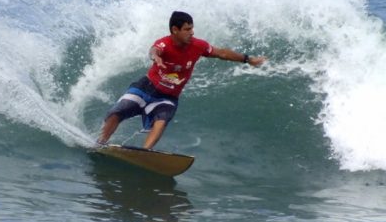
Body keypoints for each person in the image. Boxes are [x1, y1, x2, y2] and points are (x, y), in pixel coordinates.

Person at [98, 11, 267, 149]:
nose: (192, 32)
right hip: (145, 88)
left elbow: (221, 53)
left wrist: (247, 59)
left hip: (168, 97)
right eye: (187, 29)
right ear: (174, 30)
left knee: (161, 122)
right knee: (117, 112)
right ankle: (100, 144)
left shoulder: (198, 45)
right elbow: (154, 50)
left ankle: (145, 153)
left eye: (192, 28)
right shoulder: (164, 43)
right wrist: (155, 58)